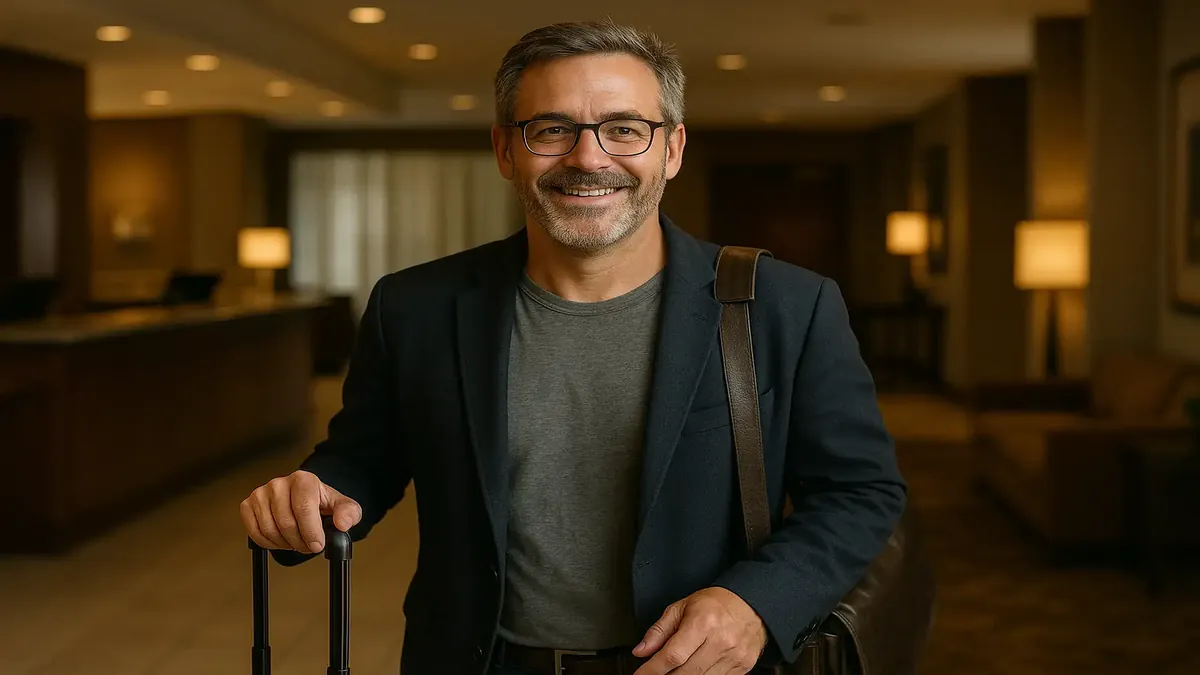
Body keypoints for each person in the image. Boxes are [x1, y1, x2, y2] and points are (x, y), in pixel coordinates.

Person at [241, 19, 906, 675]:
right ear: (506, 150)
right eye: (552, 129)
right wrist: (311, 494)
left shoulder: (787, 306)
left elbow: (860, 492)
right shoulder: (414, 307)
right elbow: (363, 460)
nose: (589, 158)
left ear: (671, 149)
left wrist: (757, 601)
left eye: (624, 128)